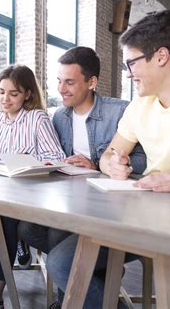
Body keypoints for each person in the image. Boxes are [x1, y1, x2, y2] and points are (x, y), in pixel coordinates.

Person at [48, 10, 170, 308]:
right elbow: (110, 154)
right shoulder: (140, 107)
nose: (128, 72)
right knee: (62, 262)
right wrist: (111, 164)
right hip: (151, 221)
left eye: (131, 63)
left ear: (161, 56)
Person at [18, 46, 146, 308]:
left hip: (108, 206)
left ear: (92, 82)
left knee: (57, 236)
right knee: (26, 228)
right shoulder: (59, 116)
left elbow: (144, 160)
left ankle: (68, 300)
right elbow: (54, 154)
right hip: (70, 199)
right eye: (58, 80)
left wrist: (98, 163)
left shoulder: (120, 111)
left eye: (69, 82)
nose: (61, 89)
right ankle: (97, 275)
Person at [0, 64, 65, 309]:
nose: (5, 98)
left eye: (13, 93)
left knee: (5, 225)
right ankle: (21, 243)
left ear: (27, 94)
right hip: (3, 193)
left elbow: (56, 156)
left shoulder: (37, 118)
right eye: (1, 92)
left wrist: (28, 161)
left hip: (30, 194)